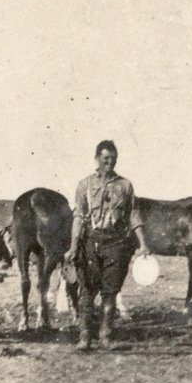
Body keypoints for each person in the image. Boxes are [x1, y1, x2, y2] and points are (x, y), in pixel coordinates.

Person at [64, 140, 150, 350]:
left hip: (116, 244)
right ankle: (84, 337)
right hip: (91, 243)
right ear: (97, 159)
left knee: (110, 293)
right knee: (86, 292)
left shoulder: (125, 185)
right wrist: (74, 246)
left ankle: (106, 337)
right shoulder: (84, 185)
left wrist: (144, 244)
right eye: (105, 159)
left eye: (112, 159)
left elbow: (133, 215)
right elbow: (79, 217)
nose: (109, 163)